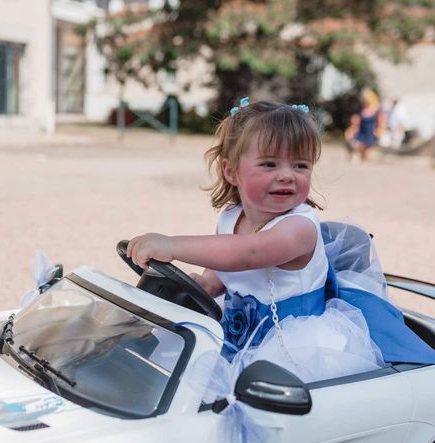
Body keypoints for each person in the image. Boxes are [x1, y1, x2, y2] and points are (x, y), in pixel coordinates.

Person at [127, 98, 435, 383]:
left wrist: (171, 245)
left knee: (255, 401)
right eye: (270, 164)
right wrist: (209, 283)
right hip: (241, 335)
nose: (288, 175)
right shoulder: (231, 217)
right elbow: (228, 266)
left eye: (301, 165)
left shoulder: (300, 228)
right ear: (231, 171)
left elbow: (249, 253)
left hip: (293, 345)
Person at [344, 89, 386, 163]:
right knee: (360, 154)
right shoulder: (362, 109)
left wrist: (380, 130)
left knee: (366, 157)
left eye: (366, 98)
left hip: (371, 134)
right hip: (362, 133)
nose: (364, 100)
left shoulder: (377, 109)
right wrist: (352, 129)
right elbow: (357, 122)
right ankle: (354, 155)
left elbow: (382, 121)